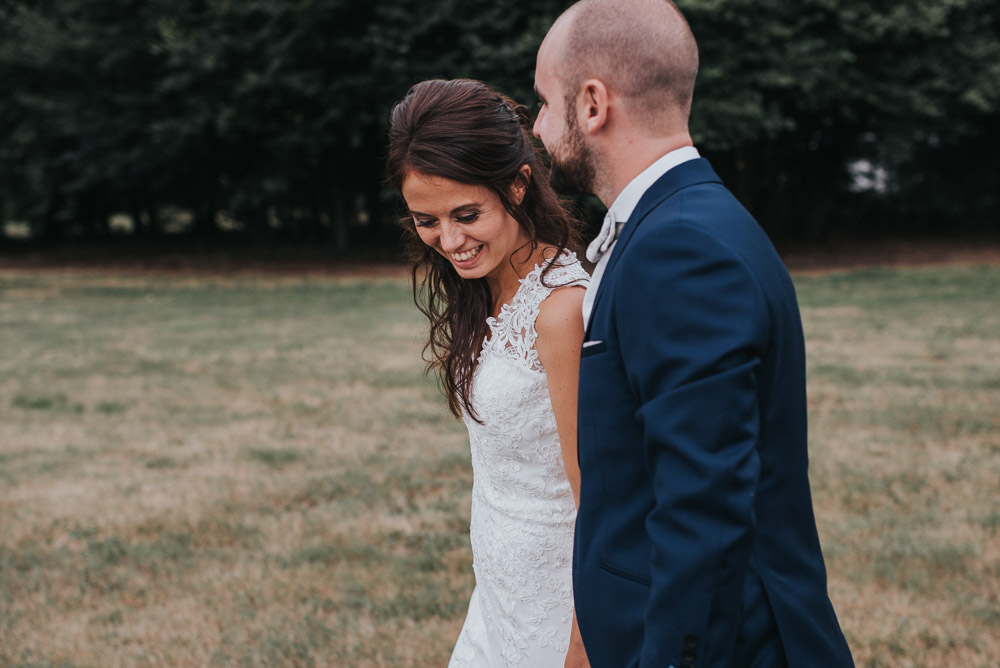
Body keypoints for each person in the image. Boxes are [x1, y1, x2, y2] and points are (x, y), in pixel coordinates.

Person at [532, 1, 854, 666]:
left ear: (592, 103)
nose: (537, 128)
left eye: (543, 102)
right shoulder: (681, 223)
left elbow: (702, 510)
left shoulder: (679, 248)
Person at [386, 78, 591, 668]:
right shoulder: (486, 288)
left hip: (557, 613)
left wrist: (580, 652)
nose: (449, 241)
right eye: (427, 220)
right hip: (499, 598)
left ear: (518, 184)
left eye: (466, 214)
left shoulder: (561, 311)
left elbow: (597, 502)